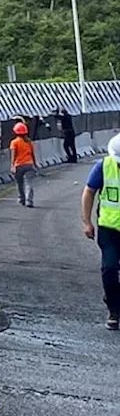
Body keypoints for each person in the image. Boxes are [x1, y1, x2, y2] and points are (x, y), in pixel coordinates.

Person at [81, 134, 120, 329]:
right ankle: (114, 309)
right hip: (109, 230)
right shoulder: (103, 166)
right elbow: (89, 192)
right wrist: (87, 222)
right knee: (110, 268)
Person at [10, 122, 37, 208]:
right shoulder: (29, 142)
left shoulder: (14, 142)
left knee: (20, 183)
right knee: (29, 183)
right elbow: (32, 154)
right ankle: (30, 201)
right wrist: (35, 164)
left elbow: (13, 155)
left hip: (19, 165)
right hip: (29, 165)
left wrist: (12, 165)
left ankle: (22, 199)